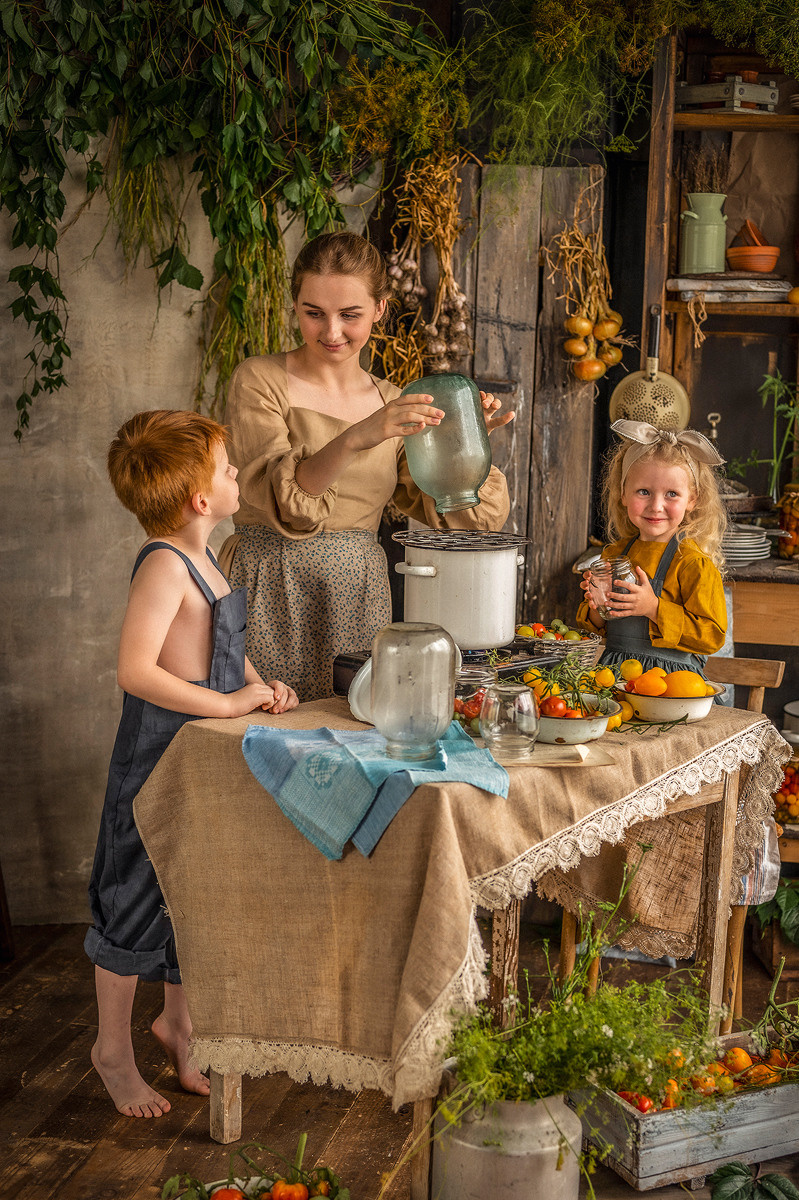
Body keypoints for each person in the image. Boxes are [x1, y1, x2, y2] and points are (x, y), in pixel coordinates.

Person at [85, 409, 298, 1119]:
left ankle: (178, 1022)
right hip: (155, 764)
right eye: (229, 468)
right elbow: (136, 671)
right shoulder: (162, 565)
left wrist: (260, 686)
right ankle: (111, 1052)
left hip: (202, 763)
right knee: (134, 898)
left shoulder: (207, 557)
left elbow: (220, 652)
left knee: (190, 895)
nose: (239, 474)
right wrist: (229, 706)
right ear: (200, 499)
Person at [218, 230, 514, 700]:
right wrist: (358, 436)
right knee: (264, 738)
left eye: (350, 314)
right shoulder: (260, 380)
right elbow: (290, 505)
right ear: (294, 304)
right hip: (272, 586)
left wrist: (467, 451)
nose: (331, 332)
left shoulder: (394, 401)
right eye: (313, 313)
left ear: (380, 308)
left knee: (354, 736)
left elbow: (454, 516)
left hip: (357, 594)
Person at [577, 419, 728, 677]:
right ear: (623, 494)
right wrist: (597, 604)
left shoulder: (692, 563)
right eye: (644, 491)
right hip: (614, 677)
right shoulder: (613, 555)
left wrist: (653, 608)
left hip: (670, 685)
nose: (656, 506)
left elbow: (712, 636)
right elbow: (595, 628)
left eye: (671, 494)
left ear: (692, 499)